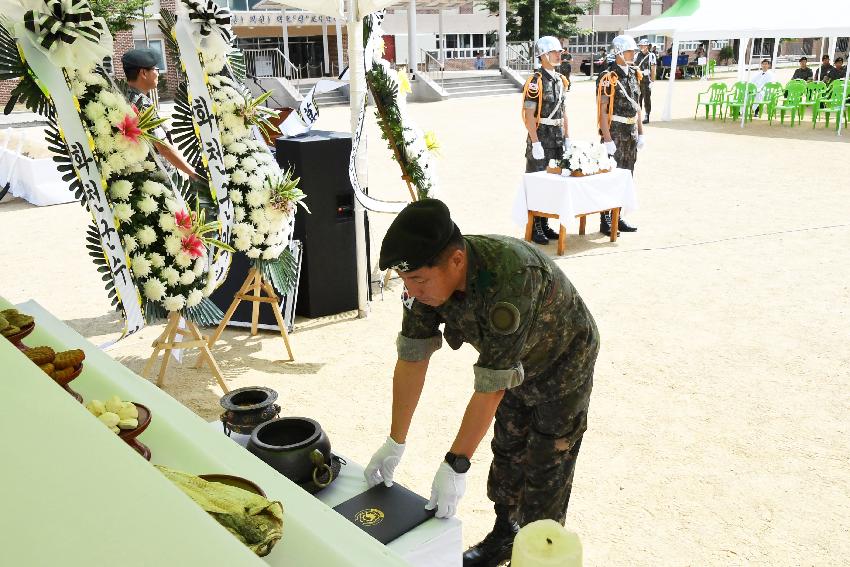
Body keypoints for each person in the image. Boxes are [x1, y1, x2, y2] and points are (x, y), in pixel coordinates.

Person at [367, 198, 599, 567]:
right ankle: (505, 536)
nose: (412, 290)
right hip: (514, 367)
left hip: (562, 365)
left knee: (545, 466)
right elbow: (413, 357)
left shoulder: (512, 277)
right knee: (508, 451)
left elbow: (490, 387)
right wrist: (395, 441)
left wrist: (455, 463)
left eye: (418, 280)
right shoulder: (426, 285)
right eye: (407, 280)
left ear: (456, 260)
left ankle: (539, 551)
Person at [520, 36, 571, 245]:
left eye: (560, 52)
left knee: (552, 184)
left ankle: (545, 224)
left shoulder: (560, 79)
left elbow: (564, 112)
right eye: (555, 52)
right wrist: (535, 142)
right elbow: (529, 115)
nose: (559, 55)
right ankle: (535, 227)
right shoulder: (535, 82)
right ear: (543, 56)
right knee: (538, 184)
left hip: (558, 139)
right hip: (541, 138)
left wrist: (567, 137)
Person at [121, 48, 198, 179]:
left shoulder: (124, 96)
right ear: (143, 73)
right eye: (155, 69)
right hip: (155, 176)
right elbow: (163, 147)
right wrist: (193, 173)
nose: (158, 73)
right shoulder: (140, 104)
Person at [596, 35, 644, 236]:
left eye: (633, 51)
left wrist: (641, 132)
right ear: (618, 53)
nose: (633, 54)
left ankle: (618, 215)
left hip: (630, 133)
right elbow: (603, 110)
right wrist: (607, 138)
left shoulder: (634, 74)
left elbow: (637, 106)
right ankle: (605, 220)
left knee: (626, 176)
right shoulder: (608, 77)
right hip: (615, 133)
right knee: (610, 178)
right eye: (629, 51)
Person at [634, 39, 657, 123]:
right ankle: (638, 116)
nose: (641, 47)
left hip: (647, 80)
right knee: (637, 99)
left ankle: (647, 115)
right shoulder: (637, 55)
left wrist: (652, 81)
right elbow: (634, 66)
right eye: (640, 46)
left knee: (647, 99)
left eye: (643, 46)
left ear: (647, 46)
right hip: (638, 80)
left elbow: (653, 69)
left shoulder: (651, 56)